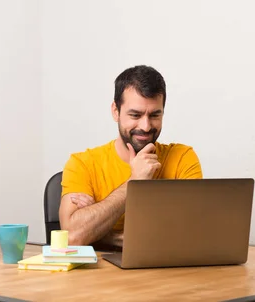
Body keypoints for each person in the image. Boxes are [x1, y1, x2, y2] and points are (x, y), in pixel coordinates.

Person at [58, 65, 203, 250]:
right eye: (135, 115)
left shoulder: (183, 158)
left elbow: (192, 233)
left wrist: (102, 233)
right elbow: (72, 237)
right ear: (115, 111)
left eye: (155, 115)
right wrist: (134, 182)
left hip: (167, 274)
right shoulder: (82, 164)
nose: (145, 126)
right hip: (98, 276)